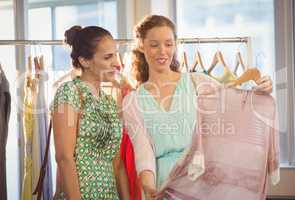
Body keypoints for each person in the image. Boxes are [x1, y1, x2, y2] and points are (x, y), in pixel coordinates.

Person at [122, 15, 273, 200]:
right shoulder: (132, 103)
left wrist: (261, 89)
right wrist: (148, 187)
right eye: (154, 45)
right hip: (165, 187)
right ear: (142, 46)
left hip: (203, 184)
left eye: (168, 44)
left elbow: (237, 103)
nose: (162, 51)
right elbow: (143, 152)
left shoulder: (198, 83)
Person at [51, 25, 130, 200]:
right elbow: (64, 158)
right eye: (108, 57)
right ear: (85, 61)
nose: (116, 63)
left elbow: (117, 164)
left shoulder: (108, 102)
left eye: (115, 55)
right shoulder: (70, 92)